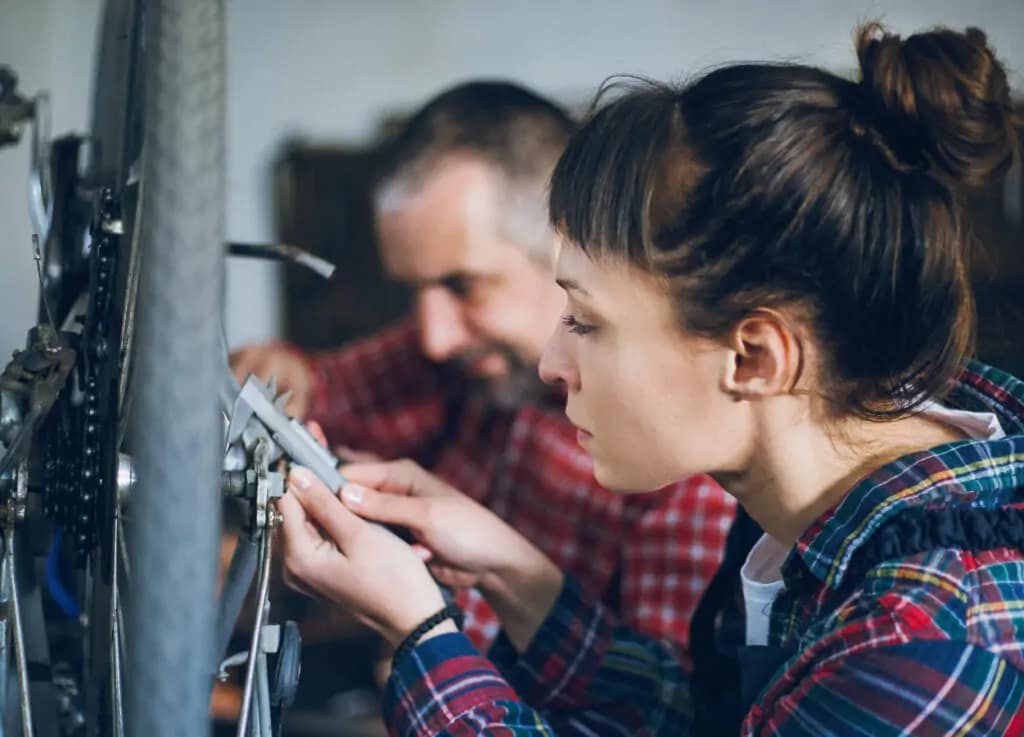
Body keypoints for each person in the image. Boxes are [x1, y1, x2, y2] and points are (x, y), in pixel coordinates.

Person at [277, 23, 1024, 737]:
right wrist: (515, 572)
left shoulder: (927, 644)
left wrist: (421, 631)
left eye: (585, 319)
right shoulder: (801, 503)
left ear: (754, 357)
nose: (550, 363)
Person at [231, 81, 734, 651]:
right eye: (414, 291)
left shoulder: (683, 457)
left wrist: (425, 628)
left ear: (567, 241)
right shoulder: (460, 353)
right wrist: (286, 375)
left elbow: (657, 709)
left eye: (462, 285)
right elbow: (323, 392)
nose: (434, 338)